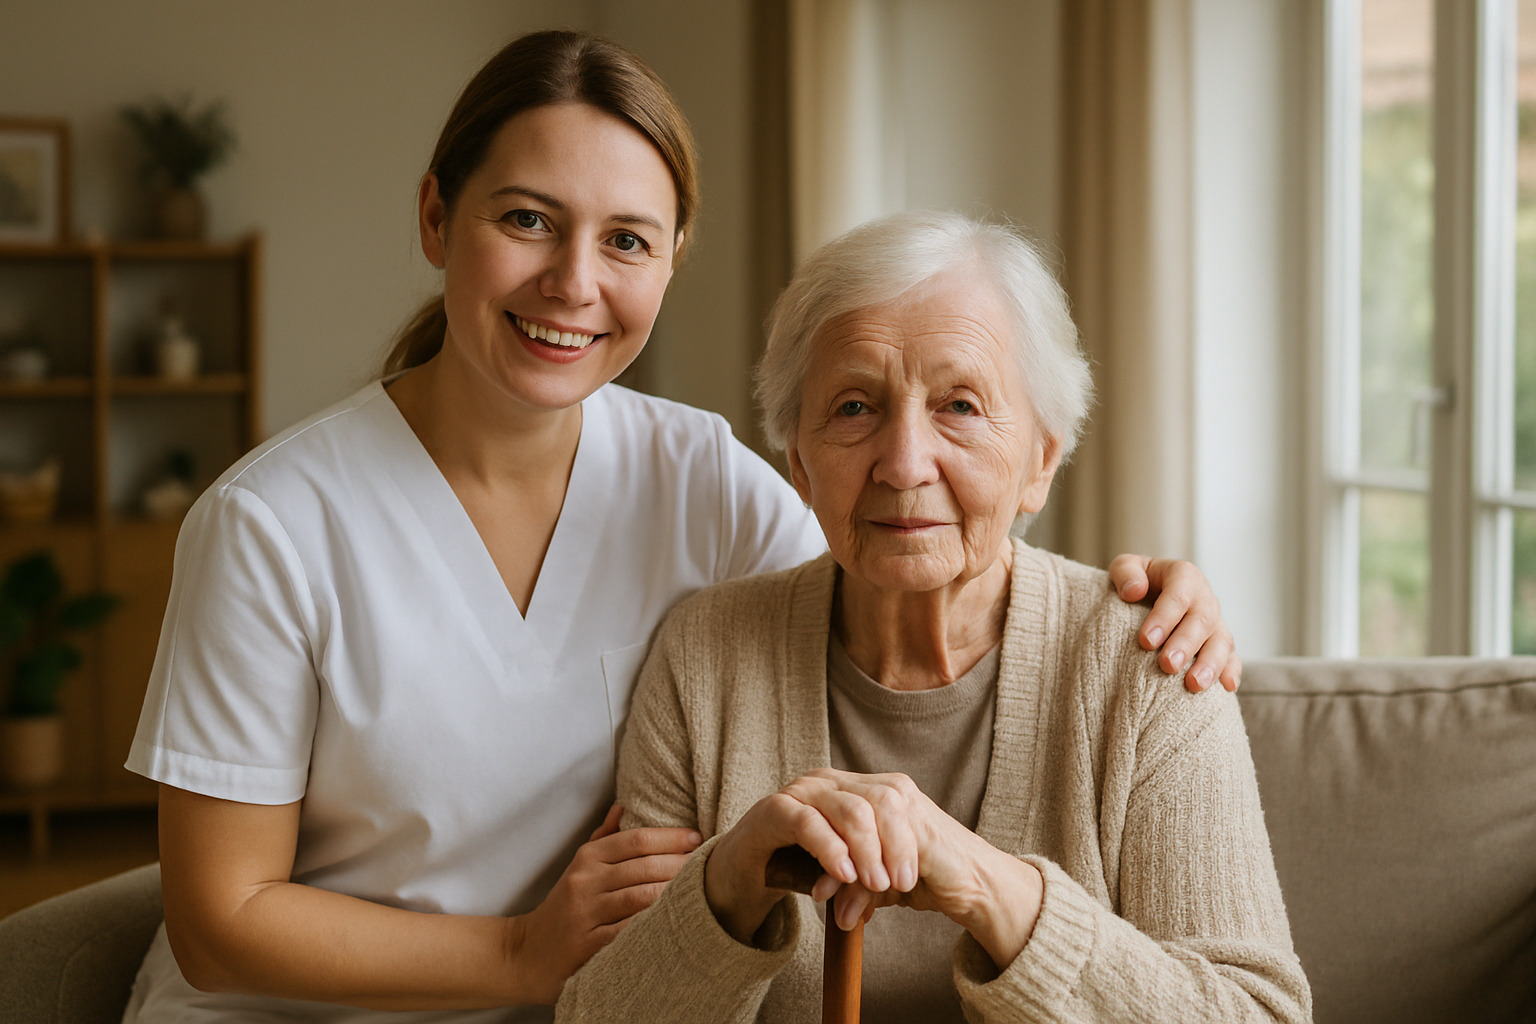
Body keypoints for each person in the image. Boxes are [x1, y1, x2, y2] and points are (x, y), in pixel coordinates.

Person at [122, 31, 1242, 1024]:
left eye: (626, 241)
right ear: (434, 216)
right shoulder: (270, 524)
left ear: (668, 264)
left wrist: (1154, 592)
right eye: (526, 220)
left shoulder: (698, 475)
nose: (572, 281)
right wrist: (520, 951)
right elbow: (220, 923)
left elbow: (904, 544)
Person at [556, 211, 1310, 1023]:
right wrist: (726, 886)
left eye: (959, 405)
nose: (906, 462)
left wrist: (991, 887)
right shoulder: (705, 658)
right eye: (853, 407)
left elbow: (1259, 1014)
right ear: (799, 466)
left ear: (1040, 462)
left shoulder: (1150, 662)